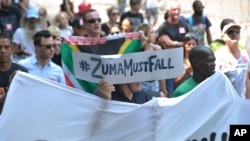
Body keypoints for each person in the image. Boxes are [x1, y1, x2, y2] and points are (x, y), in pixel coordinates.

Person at [156, 1, 190, 96]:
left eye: (178, 9)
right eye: (174, 9)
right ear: (169, 11)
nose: (176, 12)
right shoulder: (163, 27)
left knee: (183, 89)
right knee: (170, 91)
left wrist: (176, 44)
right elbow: (167, 43)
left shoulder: (184, 25)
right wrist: (182, 44)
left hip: (182, 62)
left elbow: (190, 40)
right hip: (169, 64)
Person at [215, 23, 250, 99]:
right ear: (222, 37)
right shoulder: (217, 56)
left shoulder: (245, 55)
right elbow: (214, 82)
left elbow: (247, 79)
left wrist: (248, 101)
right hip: (226, 103)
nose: (234, 34)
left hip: (241, 102)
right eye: (230, 32)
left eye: (237, 31)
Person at [0, 32, 28, 114]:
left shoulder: (22, 72)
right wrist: (11, 86)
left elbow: (26, 100)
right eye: (0, 47)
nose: (3, 51)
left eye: (6, 47)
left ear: (12, 49)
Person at [136, 23, 167, 96]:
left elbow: (161, 71)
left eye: (155, 32)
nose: (155, 35)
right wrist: (144, 42)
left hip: (155, 84)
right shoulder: (137, 50)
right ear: (145, 34)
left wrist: (164, 89)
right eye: (152, 32)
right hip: (142, 84)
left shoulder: (157, 49)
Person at [96, 80, 164, 104]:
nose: (141, 80)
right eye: (135, 76)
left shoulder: (143, 95)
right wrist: (105, 102)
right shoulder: (104, 94)